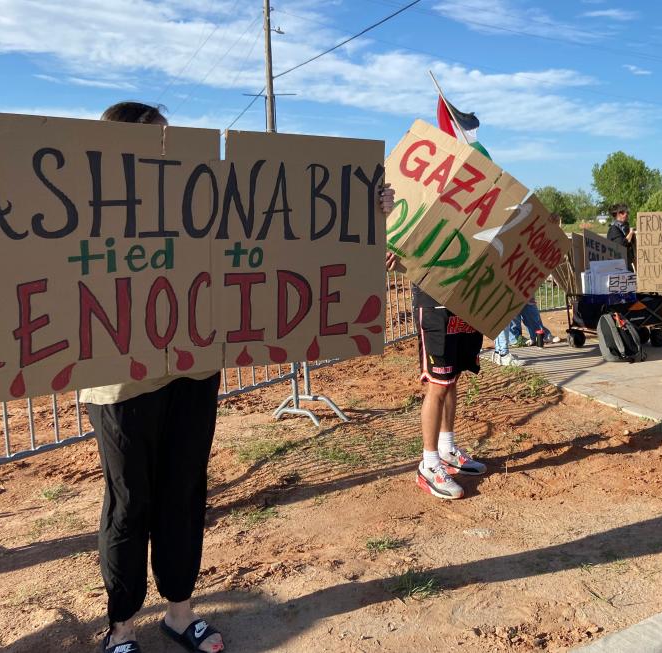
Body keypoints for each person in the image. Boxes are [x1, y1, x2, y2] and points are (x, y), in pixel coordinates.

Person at [88, 102, 397, 653]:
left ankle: (180, 615)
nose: (163, 147)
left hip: (193, 367)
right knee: (131, 499)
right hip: (121, 381)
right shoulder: (89, 207)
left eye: (167, 137)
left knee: (183, 491)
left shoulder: (202, 203)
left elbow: (289, 235)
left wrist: (363, 215)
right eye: (150, 139)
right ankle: (121, 629)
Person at [385, 268, 486, 501]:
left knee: (453, 378)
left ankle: (447, 449)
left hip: (465, 297)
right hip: (434, 301)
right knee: (438, 384)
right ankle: (429, 465)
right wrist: (394, 252)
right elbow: (399, 238)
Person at [606, 203, 636, 269]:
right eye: (626, 213)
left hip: (626, 263)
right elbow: (621, 245)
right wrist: (631, 233)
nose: (628, 215)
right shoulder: (613, 229)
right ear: (620, 214)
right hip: (618, 266)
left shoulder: (624, 227)